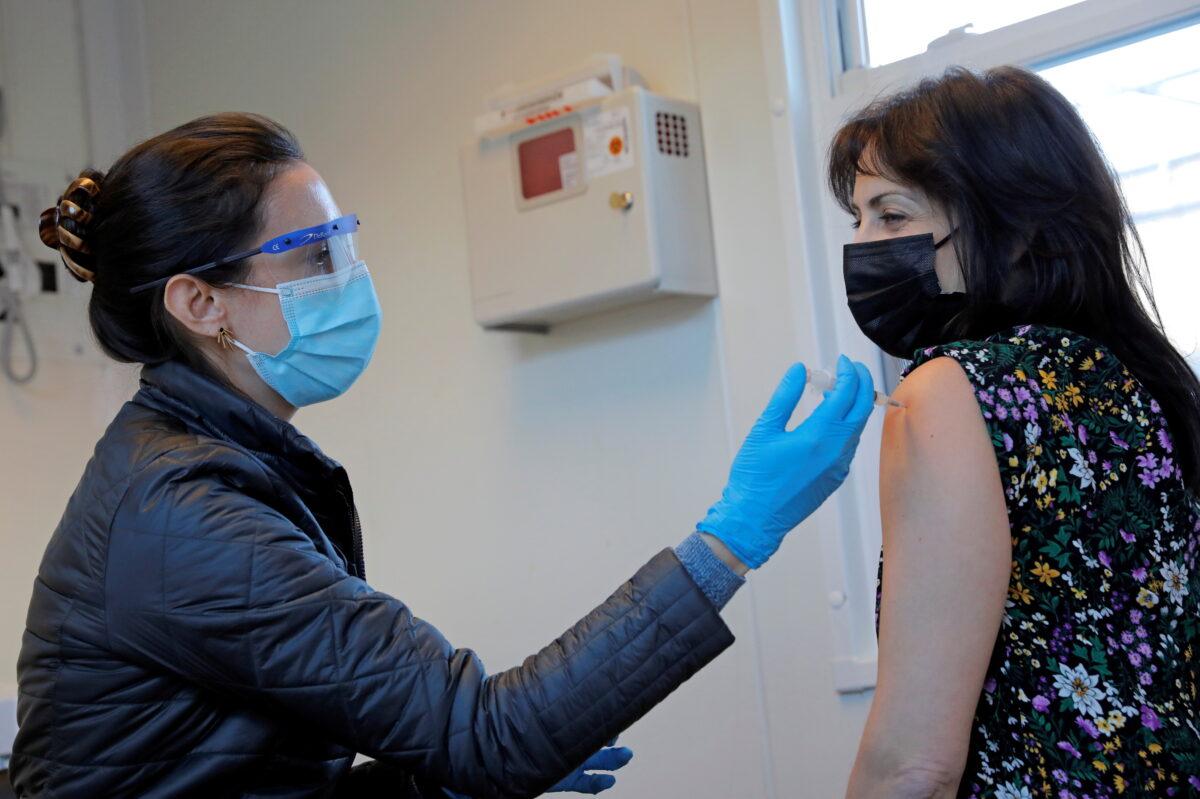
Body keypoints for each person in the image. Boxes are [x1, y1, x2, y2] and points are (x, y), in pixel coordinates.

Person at [11, 113, 876, 798]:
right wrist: (733, 537)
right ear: (202, 303)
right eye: (312, 256)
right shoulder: (182, 514)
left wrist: (437, 782)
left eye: (345, 244)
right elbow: (491, 736)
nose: (349, 278)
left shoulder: (218, 464)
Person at [830, 67, 1200, 798]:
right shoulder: (1147, 382)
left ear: (1015, 225)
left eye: (893, 215)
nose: (865, 244)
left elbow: (915, 763)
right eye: (858, 219)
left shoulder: (947, 392)